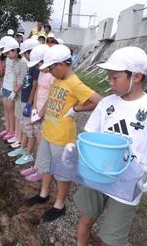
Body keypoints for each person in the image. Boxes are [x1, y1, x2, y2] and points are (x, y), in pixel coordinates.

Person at [73, 47, 147, 246]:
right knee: (86, 218)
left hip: (127, 181)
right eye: (109, 78)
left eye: (115, 78)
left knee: (112, 238)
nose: (110, 83)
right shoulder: (106, 104)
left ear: (136, 76)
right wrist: (78, 149)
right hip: (97, 172)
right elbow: (90, 134)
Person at [25, 44, 101, 222]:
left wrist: (76, 108)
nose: (49, 72)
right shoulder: (57, 80)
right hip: (48, 131)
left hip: (62, 137)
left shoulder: (75, 83)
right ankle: (43, 194)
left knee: (62, 173)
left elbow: (98, 101)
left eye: (51, 68)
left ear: (61, 64)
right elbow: (51, 100)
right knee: (46, 166)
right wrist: (39, 115)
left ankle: (60, 205)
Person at [20, 44, 53, 182]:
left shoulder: (52, 75)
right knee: (39, 141)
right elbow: (38, 90)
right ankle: (36, 166)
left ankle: (41, 170)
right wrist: (33, 108)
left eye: (40, 63)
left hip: (46, 114)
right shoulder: (41, 72)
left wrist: (40, 114)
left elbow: (51, 97)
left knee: (43, 144)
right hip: (37, 111)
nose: (38, 67)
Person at [7, 39, 40, 165]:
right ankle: (23, 148)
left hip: (29, 102)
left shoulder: (36, 68)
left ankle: (29, 154)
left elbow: (35, 86)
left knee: (30, 129)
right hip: (24, 98)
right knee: (24, 126)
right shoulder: (30, 65)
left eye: (27, 53)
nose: (25, 56)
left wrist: (29, 103)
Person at [0, 38, 21, 140]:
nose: (7, 54)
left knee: (12, 112)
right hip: (6, 86)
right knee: (6, 110)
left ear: (15, 50)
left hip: (12, 89)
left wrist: (15, 90)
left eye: (9, 52)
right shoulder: (8, 59)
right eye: (6, 52)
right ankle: (7, 128)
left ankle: (12, 131)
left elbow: (20, 77)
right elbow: (7, 74)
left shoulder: (20, 61)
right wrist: (2, 86)